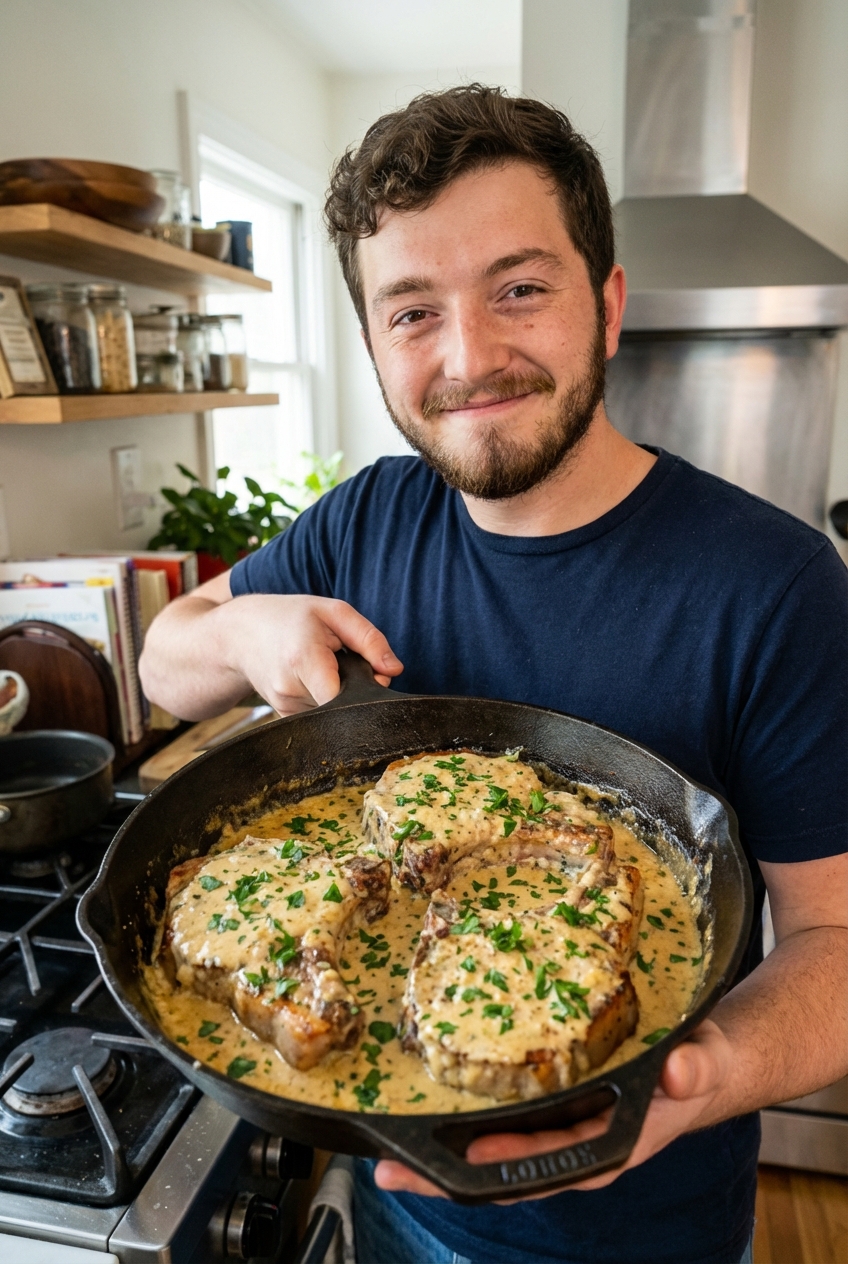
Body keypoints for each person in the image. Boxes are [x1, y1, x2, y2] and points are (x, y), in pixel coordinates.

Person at [140, 86, 848, 1264]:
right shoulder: (364, 520)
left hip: (650, 1229)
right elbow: (168, 658)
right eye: (413, 311)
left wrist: (697, 1075)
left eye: (518, 288)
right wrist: (242, 631)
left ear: (606, 305)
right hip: (391, 1198)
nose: (468, 357)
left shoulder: (775, 585)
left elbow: (835, 935)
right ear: (373, 343)